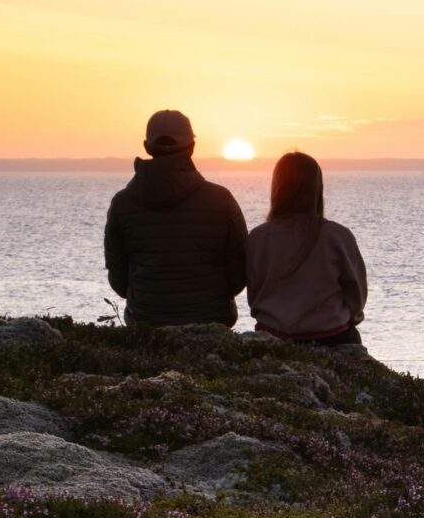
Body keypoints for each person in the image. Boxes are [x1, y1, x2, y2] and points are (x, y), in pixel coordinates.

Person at [102, 109, 248, 327]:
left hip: (145, 324)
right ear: (192, 147)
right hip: (211, 323)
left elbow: (119, 280)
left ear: (147, 147)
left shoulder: (122, 203)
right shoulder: (221, 200)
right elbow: (239, 274)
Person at [244, 151, 368, 345]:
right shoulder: (337, 236)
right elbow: (357, 296)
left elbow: (254, 293)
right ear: (317, 189)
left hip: (272, 336)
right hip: (331, 336)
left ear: (277, 188)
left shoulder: (258, 237)